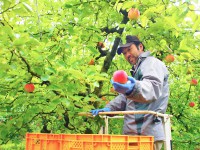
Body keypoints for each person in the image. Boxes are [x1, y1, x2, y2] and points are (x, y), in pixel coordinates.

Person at [90, 35, 169, 150]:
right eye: (124, 53)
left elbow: (152, 88)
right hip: (133, 134)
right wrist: (109, 109)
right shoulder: (137, 71)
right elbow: (125, 98)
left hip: (147, 134)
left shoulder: (151, 63)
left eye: (129, 50)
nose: (127, 55)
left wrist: (133, 88)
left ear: (140, 47)